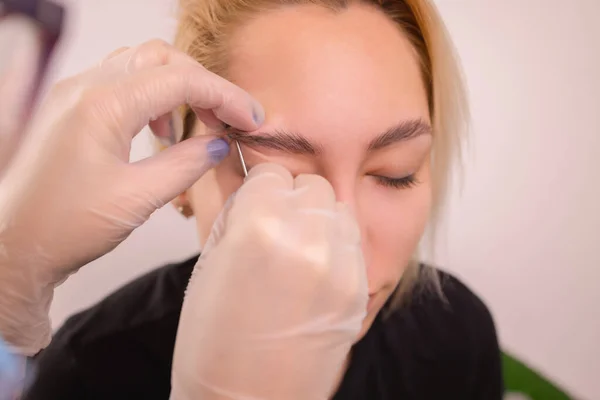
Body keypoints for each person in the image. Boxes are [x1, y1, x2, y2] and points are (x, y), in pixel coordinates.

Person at [1, 0, 503, 398]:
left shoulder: (454, 335)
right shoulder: (91, 370)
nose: (342, 242)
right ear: (178, 175)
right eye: (278, 177)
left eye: (396, 174)